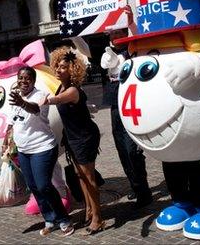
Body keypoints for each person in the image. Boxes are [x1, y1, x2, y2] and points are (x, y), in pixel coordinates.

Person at [2, 66, 74, 237]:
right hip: (24, 151)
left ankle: (64, 219)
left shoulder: (41, 95)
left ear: (33, 81)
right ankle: (50, 219)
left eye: (27, 78)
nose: (23, 81)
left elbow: (34, 109)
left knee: (44, 185)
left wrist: (22, 103)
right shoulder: (16, 97)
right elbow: (12, 123)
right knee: (34, 187)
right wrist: (6, 141)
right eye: (20, 78)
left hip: (43, 148)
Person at [42, 47, 104, 235]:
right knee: (80, 177)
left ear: (72, 70)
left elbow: (57, 99)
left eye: (63, 68)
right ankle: (89, 210)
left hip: (85, 138)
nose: (59, 70)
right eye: (58, 67)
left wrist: (41, 101)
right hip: (73, 138)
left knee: (89, 179)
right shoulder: (60, 85)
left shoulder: (72, 90)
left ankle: (98, 218)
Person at [100, 28, 153, 209]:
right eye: (112, 35)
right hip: (115, 104)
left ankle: (143, 190)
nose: (115, 38)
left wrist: (130, 21)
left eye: (119, 34)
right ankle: (135, 186)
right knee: (122, 149)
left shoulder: (132, 50)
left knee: (132, 150)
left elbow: (136, 34)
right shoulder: (108, 54)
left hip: (131, 105)